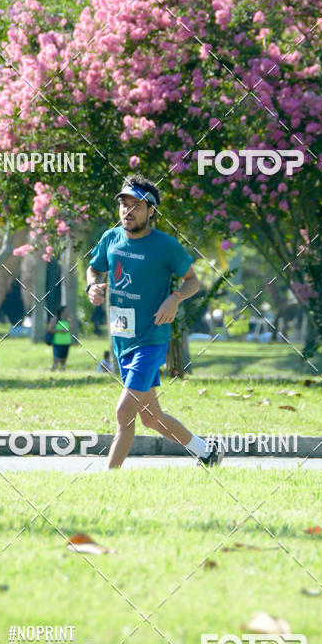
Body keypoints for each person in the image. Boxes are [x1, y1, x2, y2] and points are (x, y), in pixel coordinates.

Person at [86, 173, 222, 469]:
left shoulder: (165, 246)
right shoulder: (111, 237)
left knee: (124, 413)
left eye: (136, 205)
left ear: (151, 211)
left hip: (151, 340)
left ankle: (108, 479)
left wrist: (174, 298)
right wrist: (91, 286)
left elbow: (193, 282)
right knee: (150, 417)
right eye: (124, 204)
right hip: (123, 340)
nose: (128, 211)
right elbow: (94, 269)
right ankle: (207, 452)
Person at [47, 305, 71, 371]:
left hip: (66, 342)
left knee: (64, 359)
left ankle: (62, 370)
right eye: (67, 310)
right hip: (57, 342)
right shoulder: (55, 319)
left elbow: (72, 329)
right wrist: (60, 331)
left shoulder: (68, 320)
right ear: (62, 311)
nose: (69, 312)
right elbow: (50, 329)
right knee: (56, 359)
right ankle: (53, 370)